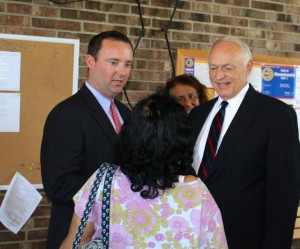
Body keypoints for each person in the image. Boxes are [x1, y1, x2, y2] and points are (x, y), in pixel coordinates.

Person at [60, 92, 228, 249]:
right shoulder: (196, 192)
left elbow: (74, 242)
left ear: (129, 136)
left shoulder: (105, 180)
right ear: (180, 141)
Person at [190, 36, 300, 249]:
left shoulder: (276, 116)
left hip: (244, 240)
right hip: (194, 236)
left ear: (248, 67)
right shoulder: (197, 115)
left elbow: (283, 195)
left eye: (227, 68)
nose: (219, 76)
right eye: (213, 68)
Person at [40, 30, 133, 249]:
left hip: (120, 235)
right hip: (76, 237)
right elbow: (59, 186)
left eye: (127, 64)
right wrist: (124, 192)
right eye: (113, 62)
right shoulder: (66, 114)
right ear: (90, 61)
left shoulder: (126, 113)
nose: (121, 71)